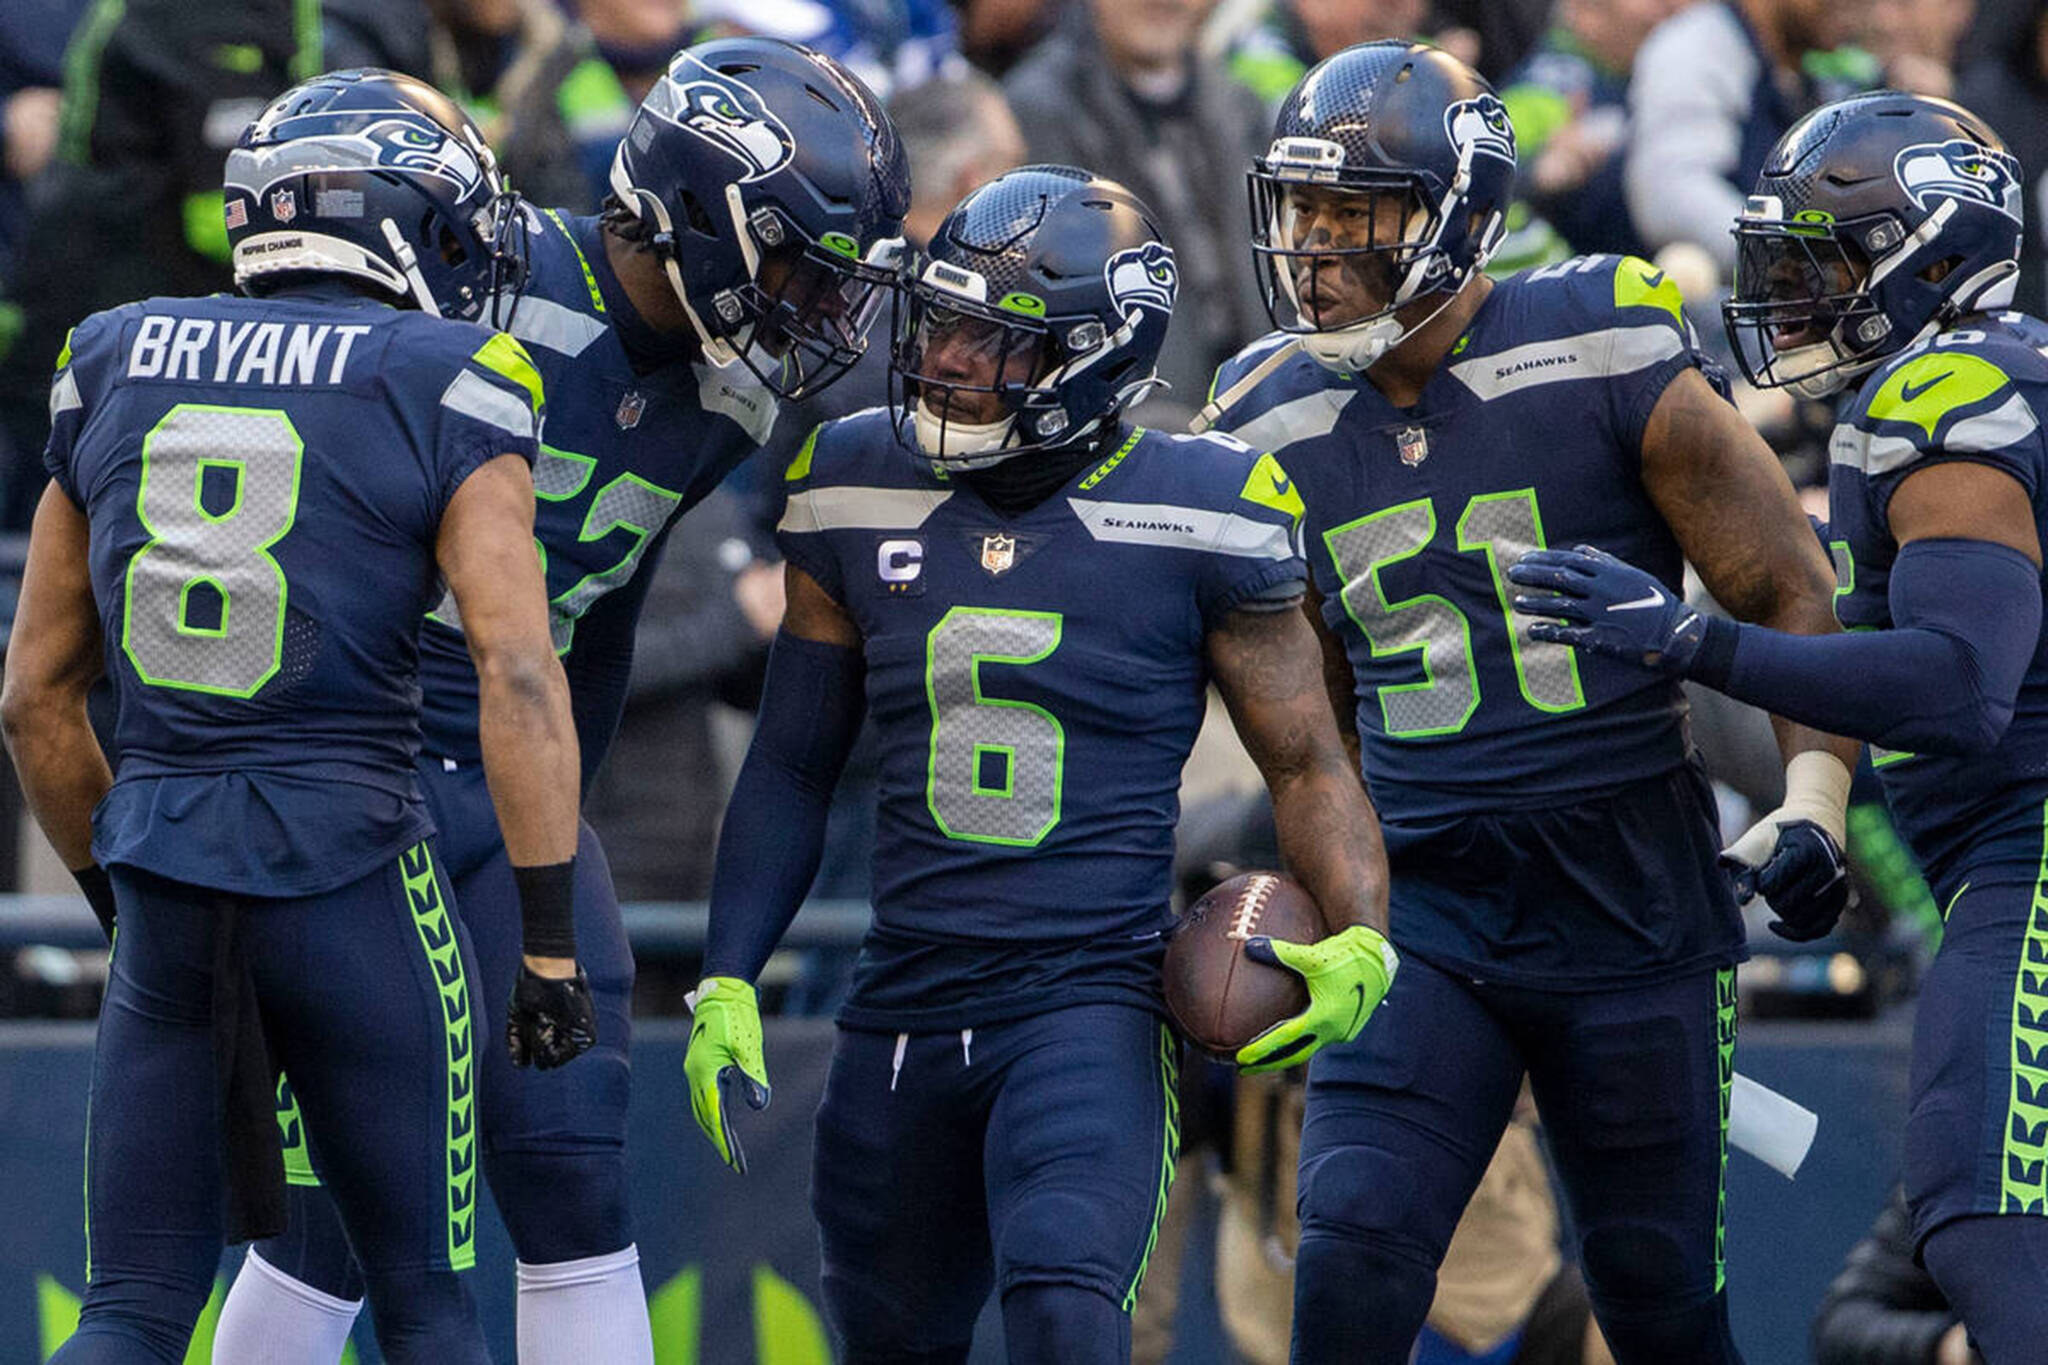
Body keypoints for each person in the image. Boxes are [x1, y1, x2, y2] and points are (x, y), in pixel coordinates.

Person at [210, 38, 911, 1365]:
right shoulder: (471, 264)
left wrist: (556, 795)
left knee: (577, 1158)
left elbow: (604, 602)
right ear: (700, 213)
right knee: (336, 1213)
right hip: (345, 757)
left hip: (503, 773)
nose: (823, 311)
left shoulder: (729, 394)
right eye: (803, 265)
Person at [1200, 40, 1858, 1365]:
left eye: (1354, 215)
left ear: (1454, 217)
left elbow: (1790, 586)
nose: (1315, 252)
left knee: (1662, 1310)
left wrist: (1817, 801)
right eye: (1303, 214)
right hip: (1426, 903)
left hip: (1630, 892)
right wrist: (1340, 887)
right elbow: (1314, 714)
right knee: (1351, 1269)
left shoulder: (1601, 342)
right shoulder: (1264, 415)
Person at [681, 164, 1398, 1363]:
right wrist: (725, 975)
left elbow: (1306, 763)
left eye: (987, 338)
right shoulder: (852, 477)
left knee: (1068, 1319)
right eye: (942, 323)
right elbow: (794, 764)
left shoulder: (1205, 504)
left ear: (1092, 361)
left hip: (1086, 1003)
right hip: (900, 1001)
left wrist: (1362, 924)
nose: (944, 359)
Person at [1, 69, 596, 1364]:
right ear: (398, 229)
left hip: (167, 865)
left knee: (133, 1306)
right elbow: (518, 672)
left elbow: (34, 698)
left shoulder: (111, 353)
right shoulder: (452, 372)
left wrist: (129, 901)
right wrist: (549, 944)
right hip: (357, 872)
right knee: (428, 1302)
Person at [1510, 90, 2048, 1363]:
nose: (1795, 295)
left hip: (2030, 849)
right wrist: (1809, 808)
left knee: (1979, 1213)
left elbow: (1956, 688)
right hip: (1999, 842)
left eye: (1825, 262)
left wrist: (1698, 642)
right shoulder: (1988, 370)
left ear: (1935, 253)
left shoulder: (1949, 392)